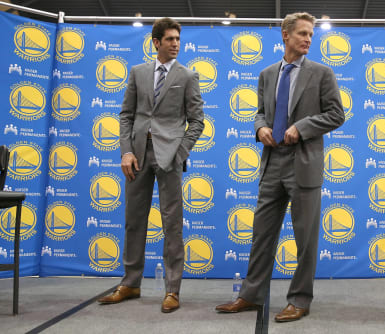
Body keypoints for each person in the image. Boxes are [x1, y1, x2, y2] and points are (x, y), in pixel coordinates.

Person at [215, 12, 344, 322]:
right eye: (302, 33)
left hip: (304, 164)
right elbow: (261, 113)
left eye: (311, 34)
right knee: (261, 235)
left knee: (305, 239)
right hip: (272, 162)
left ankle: (300, 299)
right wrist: (260, 128)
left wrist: (302, 127)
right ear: (285, 36)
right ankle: (250, 295)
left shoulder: (322, 73)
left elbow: (336, 114)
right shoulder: (267, 74)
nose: (308, 39)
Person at [98, 18, 204, 313]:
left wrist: (180, 152)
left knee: (172, 224)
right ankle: (131, 283)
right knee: (134, 221)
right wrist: (126, 152)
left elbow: (197, 121)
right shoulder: (137, 73)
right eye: (169, 39)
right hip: (137, 156)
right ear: (155, 42)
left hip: (169, 157)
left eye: (178, 39)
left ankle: (172, 290)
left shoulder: (188, 76)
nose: (175, 44)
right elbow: (126, 116)